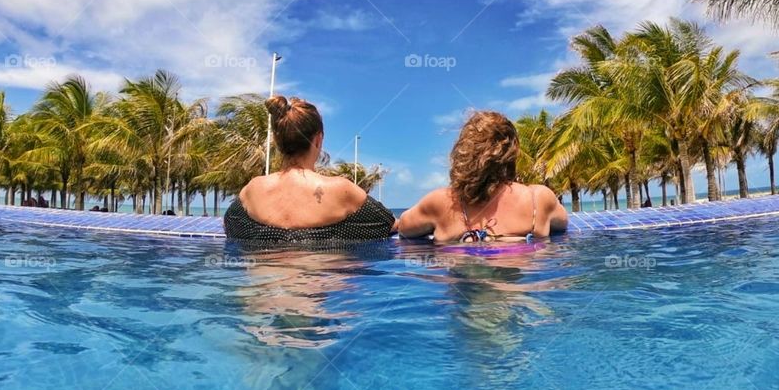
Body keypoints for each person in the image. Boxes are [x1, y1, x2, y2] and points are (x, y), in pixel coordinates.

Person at [224, 95, 395, 241]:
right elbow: (390, 225)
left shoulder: (252, 190)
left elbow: (230, 224)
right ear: (318, 140)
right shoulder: (341, 190)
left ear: (276, 140)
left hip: (266, 280)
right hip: (322, 279)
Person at [398, 111, 568, 241]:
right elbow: (563, 223)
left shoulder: (441, 202)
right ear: (512, 154)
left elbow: (404, 228)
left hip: (463, 283)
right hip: (521, 284)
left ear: (462, 152)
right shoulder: (538, 199)